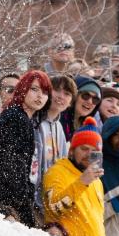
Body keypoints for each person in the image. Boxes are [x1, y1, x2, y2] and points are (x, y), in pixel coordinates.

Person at [0, 70, 51, 227]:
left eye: (45, 91)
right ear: (23, 89)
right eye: (34, 89)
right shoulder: (17, 118)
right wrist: (22, 204)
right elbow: (11, 166)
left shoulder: (18, 116)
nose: (40, 96)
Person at [42, 117, 106, 236]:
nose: (89, 154)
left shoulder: (97, 181)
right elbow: (53, 208)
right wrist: (81, 183)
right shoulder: (57, 171)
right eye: (84, 149)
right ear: (72, 151)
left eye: (94, 151)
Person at [32, 75, 74, 208]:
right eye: (57, 90)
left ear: (71, 102)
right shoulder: (35, 120)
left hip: (48, 202)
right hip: (31, 199)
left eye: (67, 93)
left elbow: (61, 164)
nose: (61, 96)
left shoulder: (59, 127)